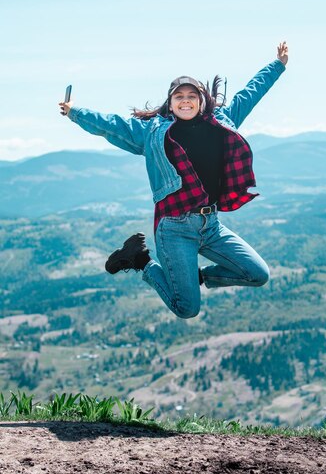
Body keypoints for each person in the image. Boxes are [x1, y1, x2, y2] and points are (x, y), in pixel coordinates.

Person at [59, 42, 288, 318]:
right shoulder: (154, 132)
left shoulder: (222, 121)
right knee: (187, 308)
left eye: (192, 95)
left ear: (202, 100)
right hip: (174, 229)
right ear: (171, 103)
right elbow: (111, 125)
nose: (186, 100)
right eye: (179, 96)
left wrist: (278, 65)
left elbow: (250, 94)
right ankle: (141, 260)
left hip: (210, 225)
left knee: (257, 273)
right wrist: (74, 112)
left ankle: (197, 278)